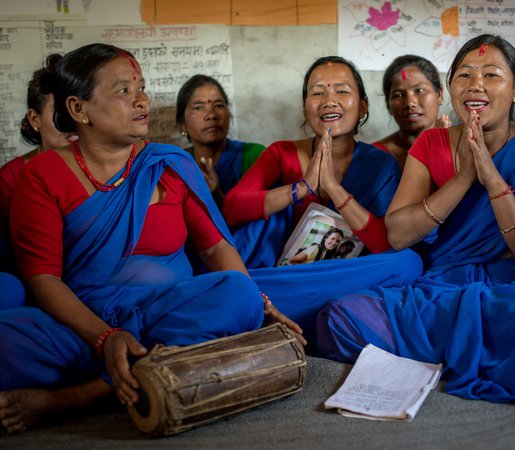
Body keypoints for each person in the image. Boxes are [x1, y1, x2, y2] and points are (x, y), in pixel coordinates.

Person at [0, 43, 301, 434]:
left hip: (168, 312)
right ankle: (148, 369)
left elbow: (215, 247)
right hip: (82, 325)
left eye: (141, 87)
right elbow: (44, 279)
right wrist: (105, 337)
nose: (141, 100)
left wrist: (260, 302)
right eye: (123, 90)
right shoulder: (41, 176)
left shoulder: (168, 163)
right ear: (78, 109)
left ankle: (85, 394)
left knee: (237, 294)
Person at [316, 34, 515, 403]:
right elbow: (399, 234)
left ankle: (442, 354)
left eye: (491, 75)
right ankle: (475, 351)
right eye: (464, 75)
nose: (476, 86)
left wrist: (492, 177)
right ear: (450, 86)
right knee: (340, 316)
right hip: (441, 288)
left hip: (513, 290)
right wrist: (464, 177)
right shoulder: (431, 143)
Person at [221, 56, 423, 345]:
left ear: (363, 105)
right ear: (305, 107)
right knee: (268, 214)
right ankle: (282, 305)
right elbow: (231, 208)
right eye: (317, 93)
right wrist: (300, 189)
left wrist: (334, 190)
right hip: (282, 272)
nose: (329, 100)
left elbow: (384, 243)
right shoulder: (281, 153)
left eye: (342, 91)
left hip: (339, 275)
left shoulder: (380, 164)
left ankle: (255, 301)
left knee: (408, 262)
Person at [0, 53, 77, 266]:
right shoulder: (10, 179)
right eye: (60, 112)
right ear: (35, 119)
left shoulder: (105, 169)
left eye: (76, 109)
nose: (70, 123)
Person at [176, 74, 265, 207]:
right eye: (199, 108)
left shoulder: (254, 156)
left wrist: (217, 196)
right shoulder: (176, 165)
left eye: (218, 106)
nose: (211, 115)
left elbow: (265, 215)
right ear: (182, 124)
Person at [373, 55, 451, 170]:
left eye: (419, 90)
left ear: (439, 94)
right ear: (387, 103)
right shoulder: (375, 156)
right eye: (398, 95)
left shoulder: (465, 144)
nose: (409, 103)